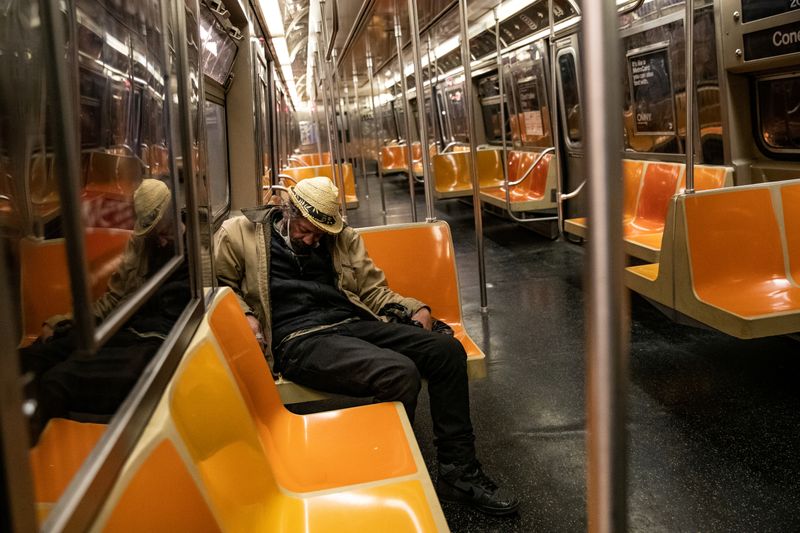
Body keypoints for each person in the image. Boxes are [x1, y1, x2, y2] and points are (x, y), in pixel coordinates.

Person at [214, 176, 519, 515]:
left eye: (321, 234)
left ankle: (458, 474)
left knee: (445, 352)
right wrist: (246, 316)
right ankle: (390, 476)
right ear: (288, 210)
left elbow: (373, 291)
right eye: (306, 229)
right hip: (298, 339)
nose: (313, 240)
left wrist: (414, 308)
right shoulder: (237, 233)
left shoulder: (342, 239)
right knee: (398, 373)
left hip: (350, 322)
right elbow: (220, 287)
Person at [21, 179, 189, 440]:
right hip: (124, 325)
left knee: (57, 380)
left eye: (165, 230)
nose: (162, 240)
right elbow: (114, 299)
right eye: (156, 233)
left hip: (155, 345)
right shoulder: (142, 244)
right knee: (36, 357)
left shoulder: (198, 253)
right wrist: (69, 320)